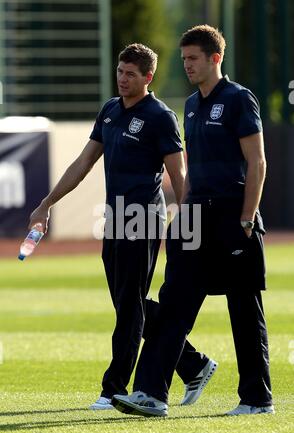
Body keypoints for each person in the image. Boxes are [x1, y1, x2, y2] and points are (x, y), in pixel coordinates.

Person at [29, 43, 216, 411]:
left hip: (144, 218)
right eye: (119, 71)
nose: (122, 79)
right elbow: (83, 163)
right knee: (127, 304)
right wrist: (46, 203)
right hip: (114, 218)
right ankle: (193, 364)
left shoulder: (161, 116)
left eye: (131, 73)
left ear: (148, 77)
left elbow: (178, 173)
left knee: (129, 308)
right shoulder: (110, 110)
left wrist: (189, 218)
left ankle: (112, 388)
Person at [111, 26, 274, 417]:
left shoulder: (239, 99)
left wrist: (248, 218)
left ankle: (256, 398)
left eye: (193, 59)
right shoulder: (190, 104)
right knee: (172, 304)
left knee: (244, 308)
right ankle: (151, 393)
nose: (187, 65)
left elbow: (257, 162)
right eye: (184, 59)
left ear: (215, 58)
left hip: (234, 214)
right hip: (195, 215)